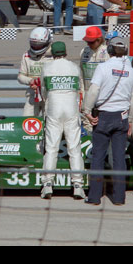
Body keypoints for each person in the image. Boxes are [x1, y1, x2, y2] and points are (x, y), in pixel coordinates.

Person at [82, 36, 133, 205]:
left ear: (109, 50)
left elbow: (93, 91)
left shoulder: (103, 67)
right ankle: (119, 197)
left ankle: (94, 197)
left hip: (104, 115)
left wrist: (86, 110)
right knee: (119, 158)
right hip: (121, 116)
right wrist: (129, 119)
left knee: (98, 157)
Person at [40, 41, 86, 200]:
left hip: (54, 107)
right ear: (65, 52)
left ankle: (47, 184)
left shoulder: (47, 67)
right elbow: (81, 89)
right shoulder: (74, 67)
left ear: (52, 54)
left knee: (51, 147)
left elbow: (43, 91)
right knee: (74, 147)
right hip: (71, 107)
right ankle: (78, 185)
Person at [17, 26, 53, 117]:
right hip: (32, 95)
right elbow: (20, 76)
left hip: (50, 96)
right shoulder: (26, 55)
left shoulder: (54, 56)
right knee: (27, 120)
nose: (36, 47)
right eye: (34, 44)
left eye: (39, 45)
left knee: (50, 123)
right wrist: (30, 81)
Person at [79, 26, 109, 133]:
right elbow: (81, 73)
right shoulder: (84, 51)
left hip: (102, 96)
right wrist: (81, 92)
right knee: (87, 123)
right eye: (87, 41)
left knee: (101, 125)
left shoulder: (107, 52)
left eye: (91, 42)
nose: (88, 44)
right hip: (87, 93)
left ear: (99, 40)